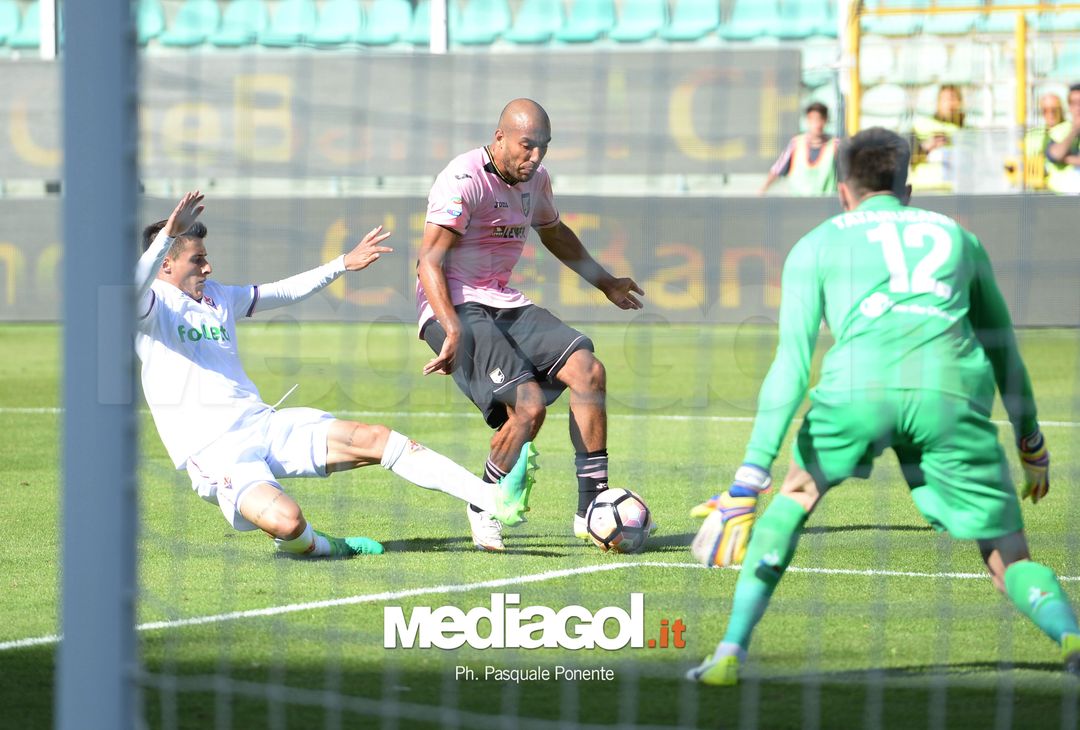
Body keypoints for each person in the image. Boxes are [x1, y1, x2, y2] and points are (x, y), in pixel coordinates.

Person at [686, 128, 1080, 686]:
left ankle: (728, 653)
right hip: (949, 393)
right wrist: (1031, 442)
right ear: (908, 188)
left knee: (795, 496)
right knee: (1008, 559)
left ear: (842, 188)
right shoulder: (958, 238)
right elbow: (1003, 350)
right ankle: (1071, 637)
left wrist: (750, 478)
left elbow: (791, 367)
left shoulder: (817, 243)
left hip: (857, 391)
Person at [136, 192, 535, 558]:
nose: (208, 265)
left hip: (263, 424)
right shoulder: (151, 307)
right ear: (166, 262)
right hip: (216, 452)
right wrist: (168, 233)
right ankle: (324, 547)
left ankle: (492, 498)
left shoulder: (217, 297)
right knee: (288, 523)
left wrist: (341, 264)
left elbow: (282, 291)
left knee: (377, 438)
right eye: (197, 259)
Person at [416, 98, 646, 552]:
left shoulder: (535, 180)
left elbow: (555, 233)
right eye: (527, 146)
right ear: (499, 137)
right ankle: (483, 502)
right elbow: (428, 261)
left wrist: (606, 283)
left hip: (502, 301)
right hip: (454, 305)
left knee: (588, 371)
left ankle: (591, 507)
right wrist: (451, 327)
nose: (536, 157)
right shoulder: (463, 179)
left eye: (543, 147)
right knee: (529, 408)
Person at [759, 102, 838, 196]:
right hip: (798, 205)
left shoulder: (835, 146)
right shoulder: (796, 144)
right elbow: (777, 170)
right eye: (813, 119)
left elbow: (848, 176)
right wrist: (762, 191)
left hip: (827, 206)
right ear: (807, 121)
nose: (817, 124)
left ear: (825, 121)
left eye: (820, 119)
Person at [910, 84, 966, 191]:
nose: (950, 104)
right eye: (946, 99)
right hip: (924, 189)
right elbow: (903, 155)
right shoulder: (920, 125)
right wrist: (924, 147)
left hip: (955, 192)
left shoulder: (969, 131)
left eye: (954, 99)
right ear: (937, 102)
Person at [1045, 83, 1080, 194]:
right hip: (1061, 198)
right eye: (1074, 103)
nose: (1078, 107)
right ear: (1069, 107)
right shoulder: (1059, 130)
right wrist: (1074, 130)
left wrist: (1067, 159)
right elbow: (1054, 155)